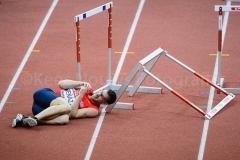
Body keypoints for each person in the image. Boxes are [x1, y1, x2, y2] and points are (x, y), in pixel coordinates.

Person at [12, 80, 117, 128]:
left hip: (41, 109)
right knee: (66, 107)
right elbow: (61, 83)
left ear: (104, 102)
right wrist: (79, 83)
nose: (98, 94)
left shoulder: (93, 110)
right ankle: (35, 119)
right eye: (101, 92)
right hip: (44, 95)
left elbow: (73, 115)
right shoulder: (87, 88)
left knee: (64, 119)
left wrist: (80, 96)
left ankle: (26, 119)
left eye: (102, 97)